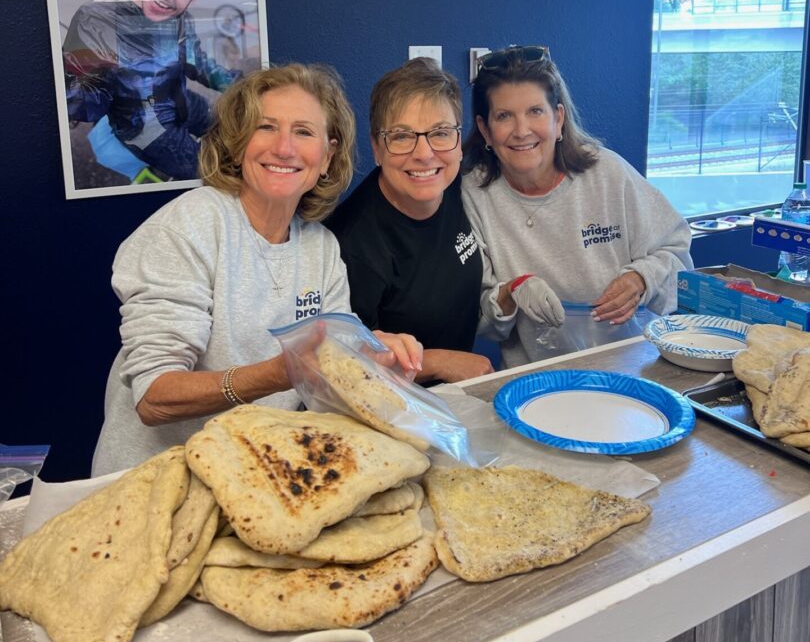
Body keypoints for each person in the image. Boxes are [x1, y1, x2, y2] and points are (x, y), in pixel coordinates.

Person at [92, 64, 422, 475]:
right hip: (151, 481)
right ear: (237, 144)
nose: (284, 148)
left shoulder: (320, 248)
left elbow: (330, 368)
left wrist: (372, 356)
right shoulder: (189, 227)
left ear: (327, 156)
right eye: (265, 127)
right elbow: (155, 397)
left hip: (253, 475)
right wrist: (279, 373)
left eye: (303, 132)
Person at [462, 45, 692, 369]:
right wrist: (512, 292)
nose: (522, 130)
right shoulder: (475, 195)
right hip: (536, 382)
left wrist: (642, 278)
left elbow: (679, 256)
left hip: (633, 370)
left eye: (535, 111)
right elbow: (481, 321)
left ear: (558, 119)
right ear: (485, 129)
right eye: (504, 116)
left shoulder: (607, 174)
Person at [326, 58, 493, 383]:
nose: (424, 153)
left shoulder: (457, 188)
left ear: (459, 142)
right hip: (391, 405)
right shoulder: (352, 245)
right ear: (377, 148)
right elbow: (348, 367)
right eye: (402, 136)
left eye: (441, 133)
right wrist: (437, 362)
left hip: (456, 395)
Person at [62, 0, 239, 180]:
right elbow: (82, 101)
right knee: (212, 172)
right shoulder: (97, 19)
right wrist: (95, 78)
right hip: (146, 127)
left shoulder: (181, 19)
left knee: (231, 128)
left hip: (179, 99)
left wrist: (243, 85)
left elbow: (197, 61)